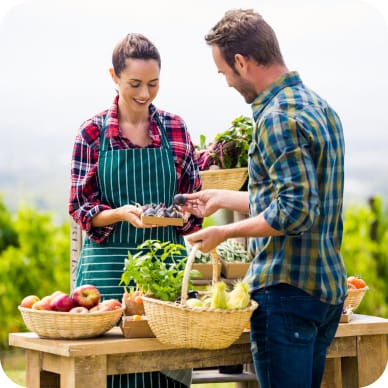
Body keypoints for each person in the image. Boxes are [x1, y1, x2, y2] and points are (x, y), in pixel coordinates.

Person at [183, 9, 347, 388]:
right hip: (325, 292)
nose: (226, 82)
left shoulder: (275, 118)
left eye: (224, 72)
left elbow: (294, 213)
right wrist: (223, 198)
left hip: (285, 294)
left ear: (242, 62)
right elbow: (302, 198)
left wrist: (224, 234)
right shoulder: (321, 108)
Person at [69, 33, 202, 388]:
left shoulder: (175, 127)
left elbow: (192, 196)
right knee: (109, 373)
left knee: (167, 372)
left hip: (167, 277)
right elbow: (80, 207)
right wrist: (119, 213)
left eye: (153, 83)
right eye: (135, 84)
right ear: (113, 76)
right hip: (108, 276)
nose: (144, 94)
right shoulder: (92, 133)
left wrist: (189, 211)